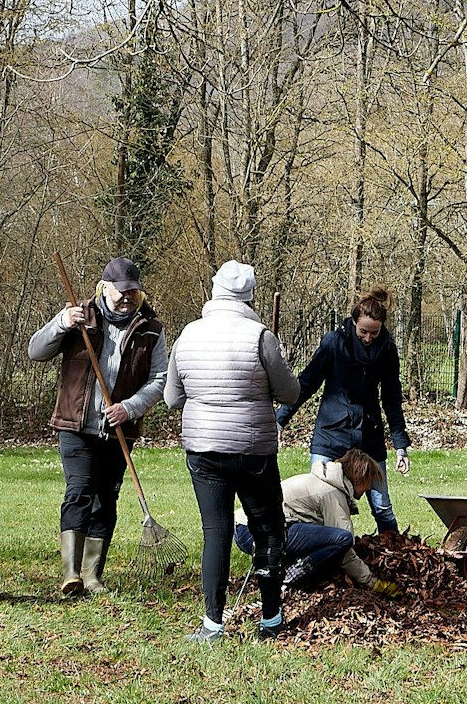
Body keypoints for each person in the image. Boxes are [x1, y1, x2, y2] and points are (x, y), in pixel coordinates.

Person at [165, 260, 301, 641]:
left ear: (214, 292)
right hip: (252, 451)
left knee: (216, 532)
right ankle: (271, 619)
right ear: (250, 296)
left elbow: (172, 398)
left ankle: (212, 624)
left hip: (202, 451)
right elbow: (290, 393)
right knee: (267, 529)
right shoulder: (261, 337)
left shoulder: (188, 335)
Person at [26, 256, 169, 597]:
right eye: (121, 291)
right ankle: (71, 574)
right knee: (79, 491)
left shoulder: (151, 329)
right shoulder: (80, 316)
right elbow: (36, 351)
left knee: (105, 499)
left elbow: (160, 379)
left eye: (133, 291)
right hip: (76, 424)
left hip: (118, 429)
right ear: (104, 288)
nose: (127, 297)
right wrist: (62, 323)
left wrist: (129, 408)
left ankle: (92, 577)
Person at [277, 286, 413, 534]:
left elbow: (392, 399)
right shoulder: (334, 343)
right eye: (363, 332)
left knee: (382, 507)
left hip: (369, 437)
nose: (368, 338)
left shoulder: (387, 350)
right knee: (319, 501)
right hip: (331, 435)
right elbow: (307, 383)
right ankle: (320, 552)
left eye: (374, 332)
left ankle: (394, 549)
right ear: (353, 323)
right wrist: (279, 420)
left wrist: (400, 445)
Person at [233, 449, 404, 598]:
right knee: (343, 539)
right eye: (369, 482)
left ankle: (284, 567)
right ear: (359, 477)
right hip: (255, 534)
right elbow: (345, 550)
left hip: (244, 527)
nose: (369, 488)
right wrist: (373, 582)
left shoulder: (322, 481)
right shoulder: (332, 493)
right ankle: (290, 575)